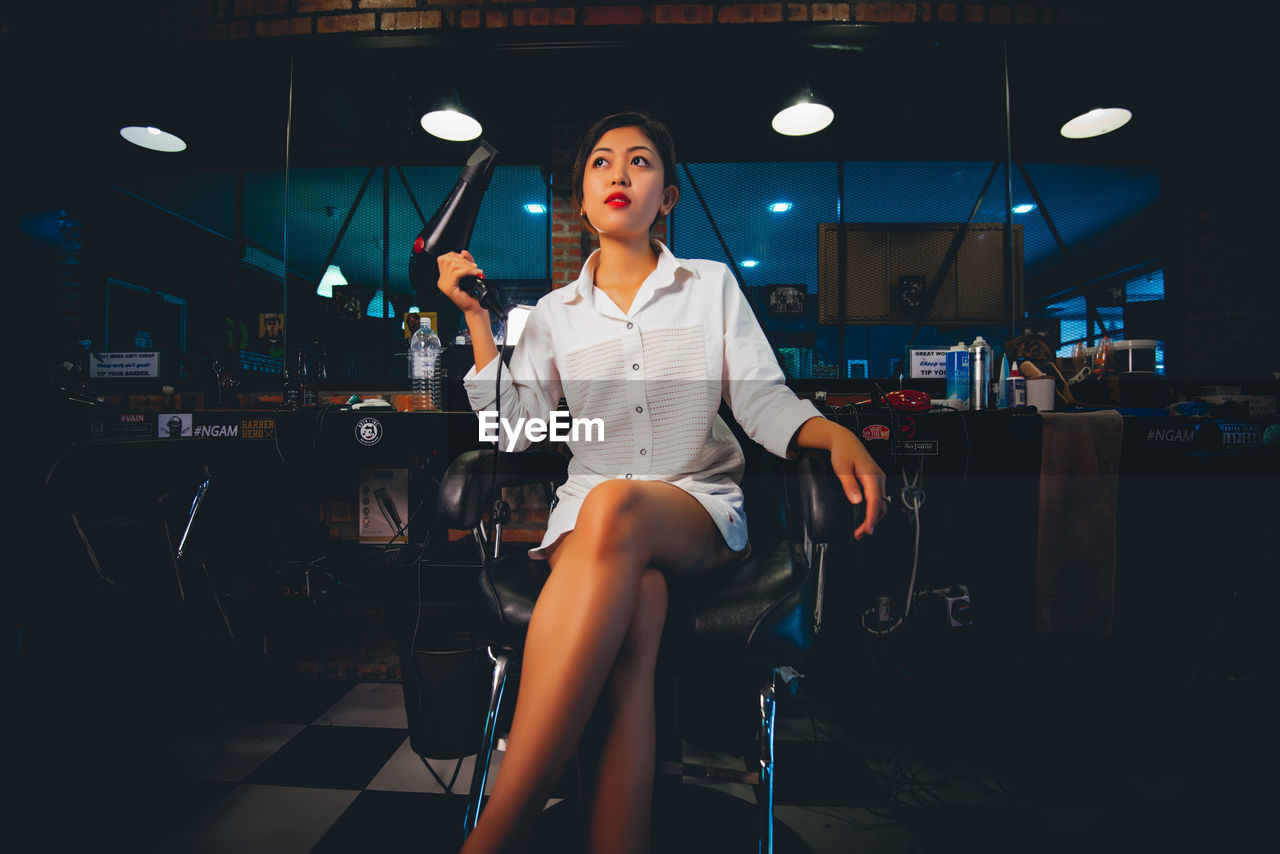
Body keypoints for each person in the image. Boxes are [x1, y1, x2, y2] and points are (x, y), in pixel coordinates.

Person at [436, 112, 887, 854]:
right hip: (594, 532)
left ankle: (496, 832)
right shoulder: (553, 315)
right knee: (634, 614)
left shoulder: (707, 287)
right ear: (581, 200)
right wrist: (480, 322)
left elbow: (761, 398)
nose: (619, 173)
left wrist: (829, 430)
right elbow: (514, 432)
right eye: (602, 163)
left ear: (667, 197)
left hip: (693, 511)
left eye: (639, 163)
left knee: (615, 501)